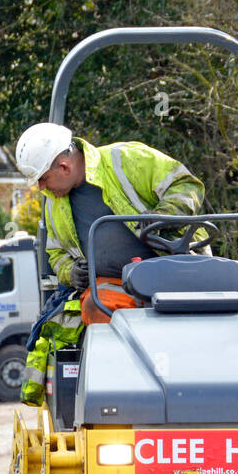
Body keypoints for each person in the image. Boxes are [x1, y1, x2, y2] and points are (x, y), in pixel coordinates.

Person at [15, 123, 207, 404]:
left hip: (177, 270)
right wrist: (70, 272)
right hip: (116, 287)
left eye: (43, 179)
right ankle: (124, 397)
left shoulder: (126, 160)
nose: (41, 189)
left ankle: (198, 388)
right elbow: (55, 255)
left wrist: (164, 216)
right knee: (94, 305)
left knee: (214, 312)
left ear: (64, 167)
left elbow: (186, 185)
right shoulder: (54, 204)